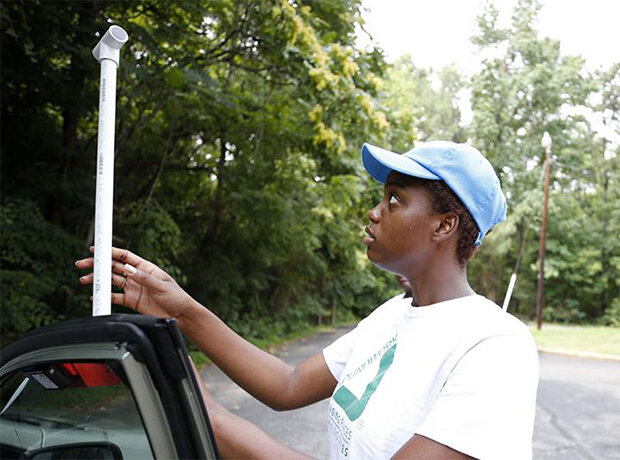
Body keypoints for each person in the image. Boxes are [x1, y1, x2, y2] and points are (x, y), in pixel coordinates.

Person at [76, 140, 539, 459]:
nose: (375, 211)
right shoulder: (392, 317)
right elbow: (289, 383)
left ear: (444, 225)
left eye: (395, 199)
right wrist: (180, 311)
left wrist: (212, 424)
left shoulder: (494, 346)